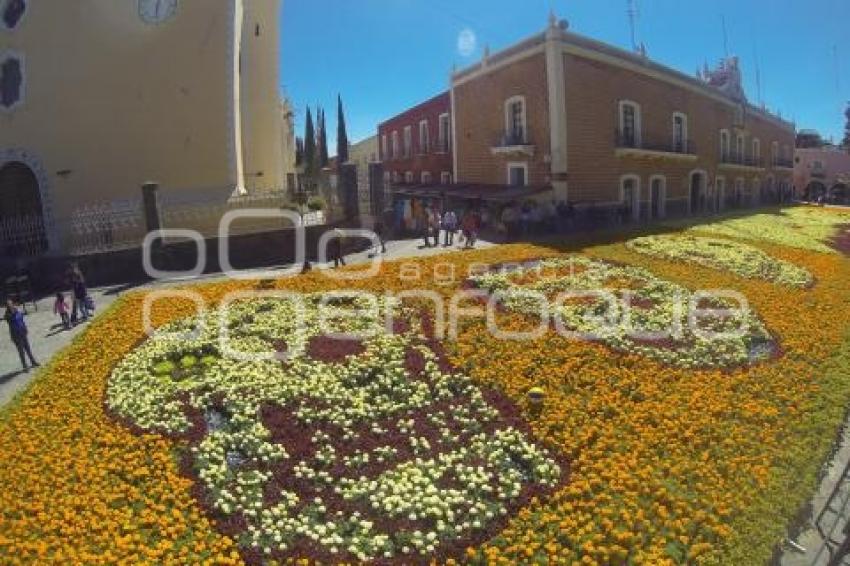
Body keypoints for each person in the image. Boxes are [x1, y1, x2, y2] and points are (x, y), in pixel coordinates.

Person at [5, 299, 38, 372]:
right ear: (7, 306)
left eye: (11, 303)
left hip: (22, 333)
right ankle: (25, 366)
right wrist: (15, 311)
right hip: (16, 336)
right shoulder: (7, 315)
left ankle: (33, 362)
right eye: (8, 304)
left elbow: (21, 320)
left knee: (28, 349)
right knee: (21, 352)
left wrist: (25, 328)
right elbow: (10, 319)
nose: (10, 305)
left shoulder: (17, 311)